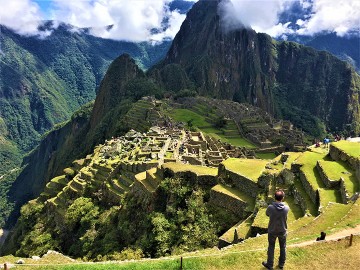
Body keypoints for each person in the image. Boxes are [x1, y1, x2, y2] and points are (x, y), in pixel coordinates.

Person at [262, 190, 289, 270]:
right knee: (283, 247)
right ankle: (281, 264)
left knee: (271, 247)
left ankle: (270, 264)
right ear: (283, 198)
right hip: (282, 230)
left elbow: (267, 214)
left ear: (274, 197)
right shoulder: (286, 208)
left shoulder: (270, 207)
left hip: (272, 230)